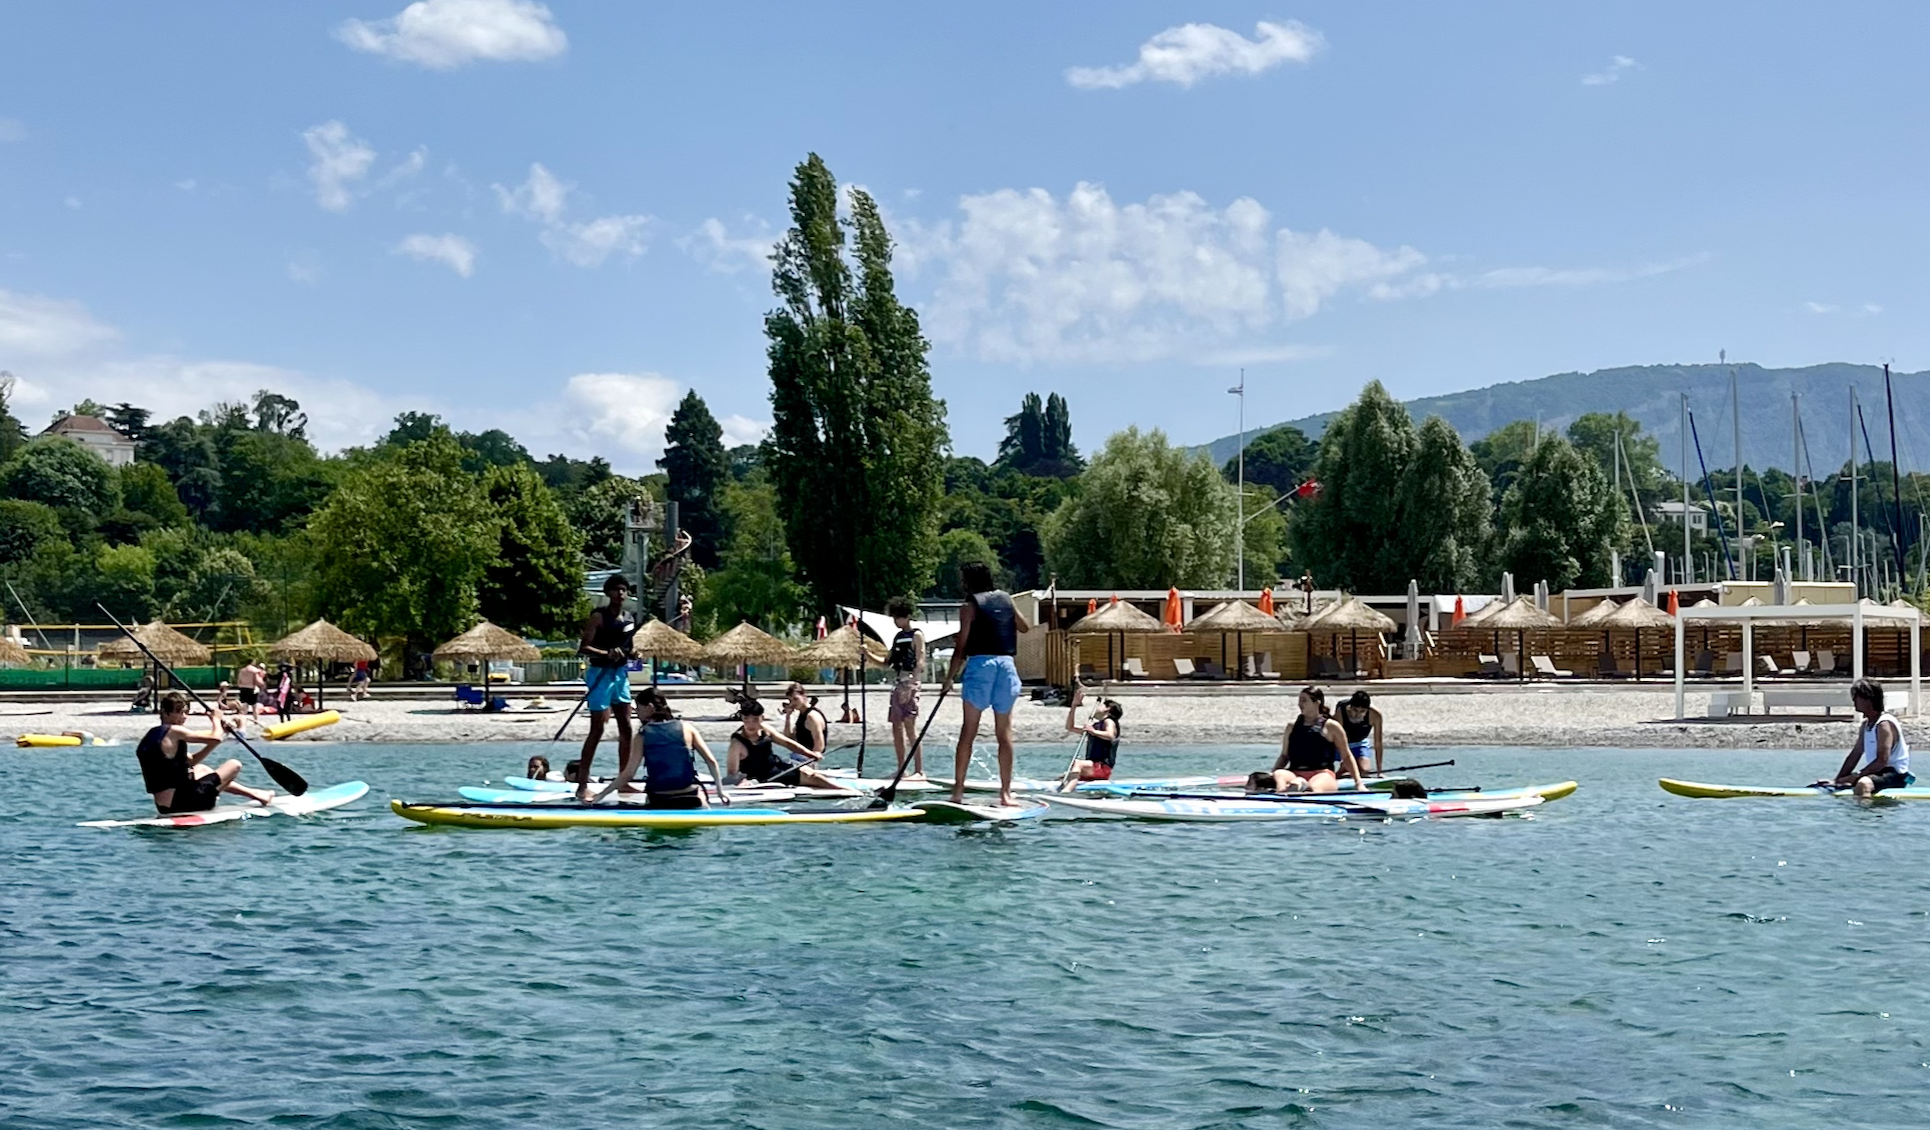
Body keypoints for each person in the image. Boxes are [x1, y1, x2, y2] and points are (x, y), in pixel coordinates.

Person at [943, 561, 1031, 806]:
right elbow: (1024, 627)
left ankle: (958, 792)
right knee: (1004, 734)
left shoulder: (969, 605)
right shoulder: (1006, 598)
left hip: (981, 665)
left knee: (968, 731)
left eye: (963, 578)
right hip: (1006, 665)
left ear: (969, 580)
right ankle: (1005, 794)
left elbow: (961, 647)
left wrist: (949, 679)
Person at [134, 691, 274, 814]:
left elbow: (191, 761)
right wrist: (216, 720)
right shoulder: (175, 731)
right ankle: (213, 796)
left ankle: (256, 794)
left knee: (201, 769)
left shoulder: (152, 735)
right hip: (183, 804)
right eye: (178, 711)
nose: (183, 717)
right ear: (165, 712)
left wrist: (218, 736)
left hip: (164, 807)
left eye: (185, 712)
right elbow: (215, 737)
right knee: (234, 765)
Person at [598, 689, 723, 809]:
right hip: (689, 795)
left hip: (658, 798)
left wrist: (600, 796)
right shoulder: (687, 728)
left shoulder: (642, 735)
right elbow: (711, 761)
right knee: (701, 796)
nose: (637, 713)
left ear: (650, 707)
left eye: (639, 708)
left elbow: (628, 774)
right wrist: (720, 792)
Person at [575, 575, 637, 802]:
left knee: (627, 728)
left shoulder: (629, 618)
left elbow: (630, 646)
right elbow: (584, 647)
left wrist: (633, 654)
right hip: (600, 674)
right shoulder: (599, 616)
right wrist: (606, 653)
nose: (621, 593)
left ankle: (624, 781)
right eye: (616, 590)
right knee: (598, 728)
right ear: (608, 593)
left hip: (620, 675)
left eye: (624, 590)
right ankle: (582, 785)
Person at [724, 699, 844, 789]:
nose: (750, 725)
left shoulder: (766, 729)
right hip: (761, 778)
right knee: (812, 777)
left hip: (776, 768)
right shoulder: (736, 743)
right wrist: (741, 782)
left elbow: (787, 743)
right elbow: (731, 773)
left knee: (809, 772)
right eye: (746, 719)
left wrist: (810, 754)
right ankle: (843, 790)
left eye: (755, 720)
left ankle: (844, 790)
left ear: (762, 718)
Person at [1823, 678, 1912, 798]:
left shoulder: (1884, 724)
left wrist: (1855, 776)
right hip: (1877, 773)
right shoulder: (1866, 724)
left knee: (1863, 784)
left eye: (1857, 697)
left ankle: (1866, 816)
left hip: (1895, 775)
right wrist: (1838, 780)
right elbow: (1855, 754)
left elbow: (1882, 760)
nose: (1854, 700)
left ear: (1869, 699)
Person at [1268, 685, 1365, 794]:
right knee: (1279, 775)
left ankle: (1301, 786)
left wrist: (1358, 783)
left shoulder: (1331, 726)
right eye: (1299, 701)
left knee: (1312, 788)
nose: (1300, 704)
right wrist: (1272, 773)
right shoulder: (1292, 727)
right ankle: (1284, 792)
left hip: (1323, 774)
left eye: (1304, 700)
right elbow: (1284, 756)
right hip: (1295, 772)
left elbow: (1346, 756)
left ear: (1317, 702)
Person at [885, 597, 927, 777]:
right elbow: (886, 662)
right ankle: (901, 769)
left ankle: (919, 770)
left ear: (907, 616)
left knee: (910, 726)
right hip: (897, 684)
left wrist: (911, 685)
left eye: (898, 617)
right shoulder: (897, 637)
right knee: (896, 727)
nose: (896, 621)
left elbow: (921, 661)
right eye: (894, 617)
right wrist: (867, 653)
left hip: (910, 684)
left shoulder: (916, 635)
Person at [1058, 685, 1123, 788]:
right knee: (1063, 776)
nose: (1097, 708)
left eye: (1101, 706)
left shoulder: (1109, 721)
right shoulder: (1096, 726)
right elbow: (1070, 727)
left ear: (1108, 709)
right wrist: (1074, 706)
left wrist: (1093, 731)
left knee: (1078, 763)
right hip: (1093, 766)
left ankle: (1066, 793)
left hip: (1102, 767)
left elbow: (1110, 735)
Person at [1338, 690, 1384, 777]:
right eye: (1355, 710)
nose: (1357, 714)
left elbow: (1378, 743)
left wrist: (1379, 771)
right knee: (1347, 768)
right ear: (1350, 707)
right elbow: (1337, 738)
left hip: (1360, 742)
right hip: (1342, 743)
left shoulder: (1375, 715)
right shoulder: (1341, 710)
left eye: (1362, 711)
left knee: (1364, 771)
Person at [781, 682, 829, 756]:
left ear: (804, 696)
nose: (793, 703)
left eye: (795, 699)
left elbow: (819, 744)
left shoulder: (812, 716)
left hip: (807, 759)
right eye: (790, 701)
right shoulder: (802, 715)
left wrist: (811, 760)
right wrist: (788, 717)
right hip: (799, 755)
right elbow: (788, 737)